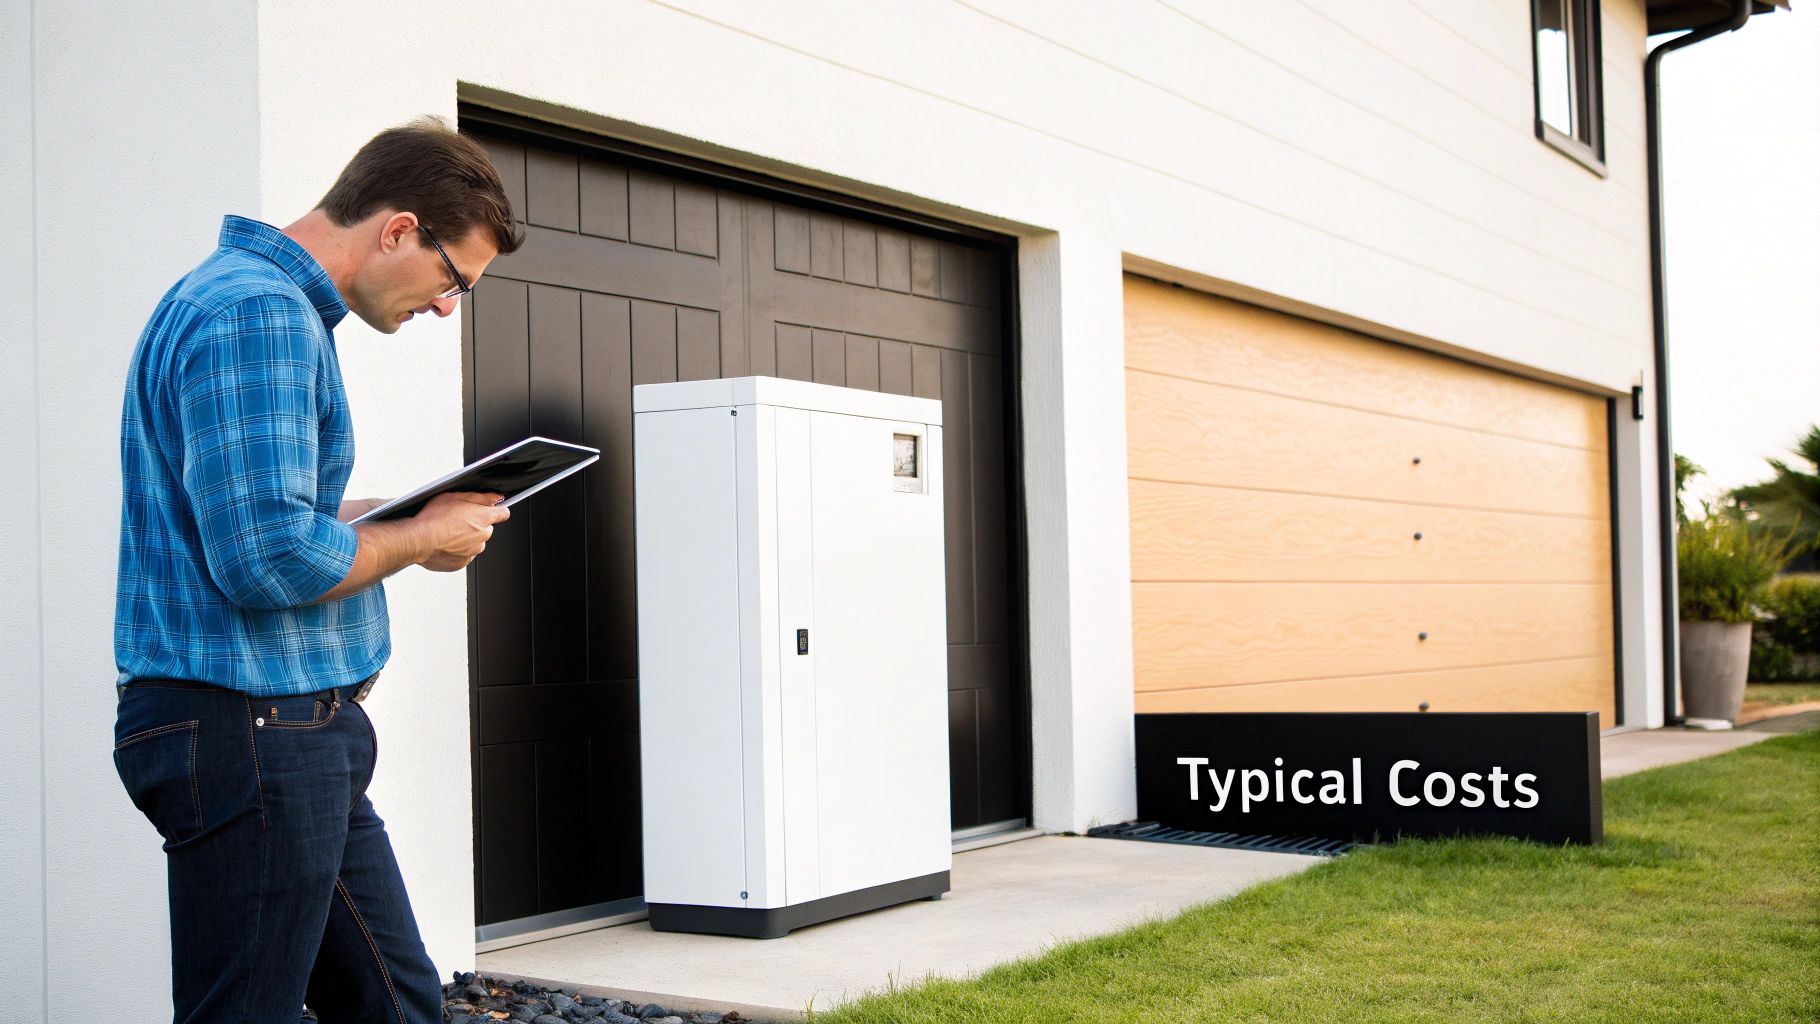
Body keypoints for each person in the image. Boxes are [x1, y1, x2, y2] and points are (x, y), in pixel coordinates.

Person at [113, 117, 523, 1023]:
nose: (449, 307)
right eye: (454, 278)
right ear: (398, 230)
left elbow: (245, 517)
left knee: (396, 1002)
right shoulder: (256, 313)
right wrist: (420, 543)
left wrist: (409, 516)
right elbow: (265, 560)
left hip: (289, 733)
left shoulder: (257, 306)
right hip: (249, 731)